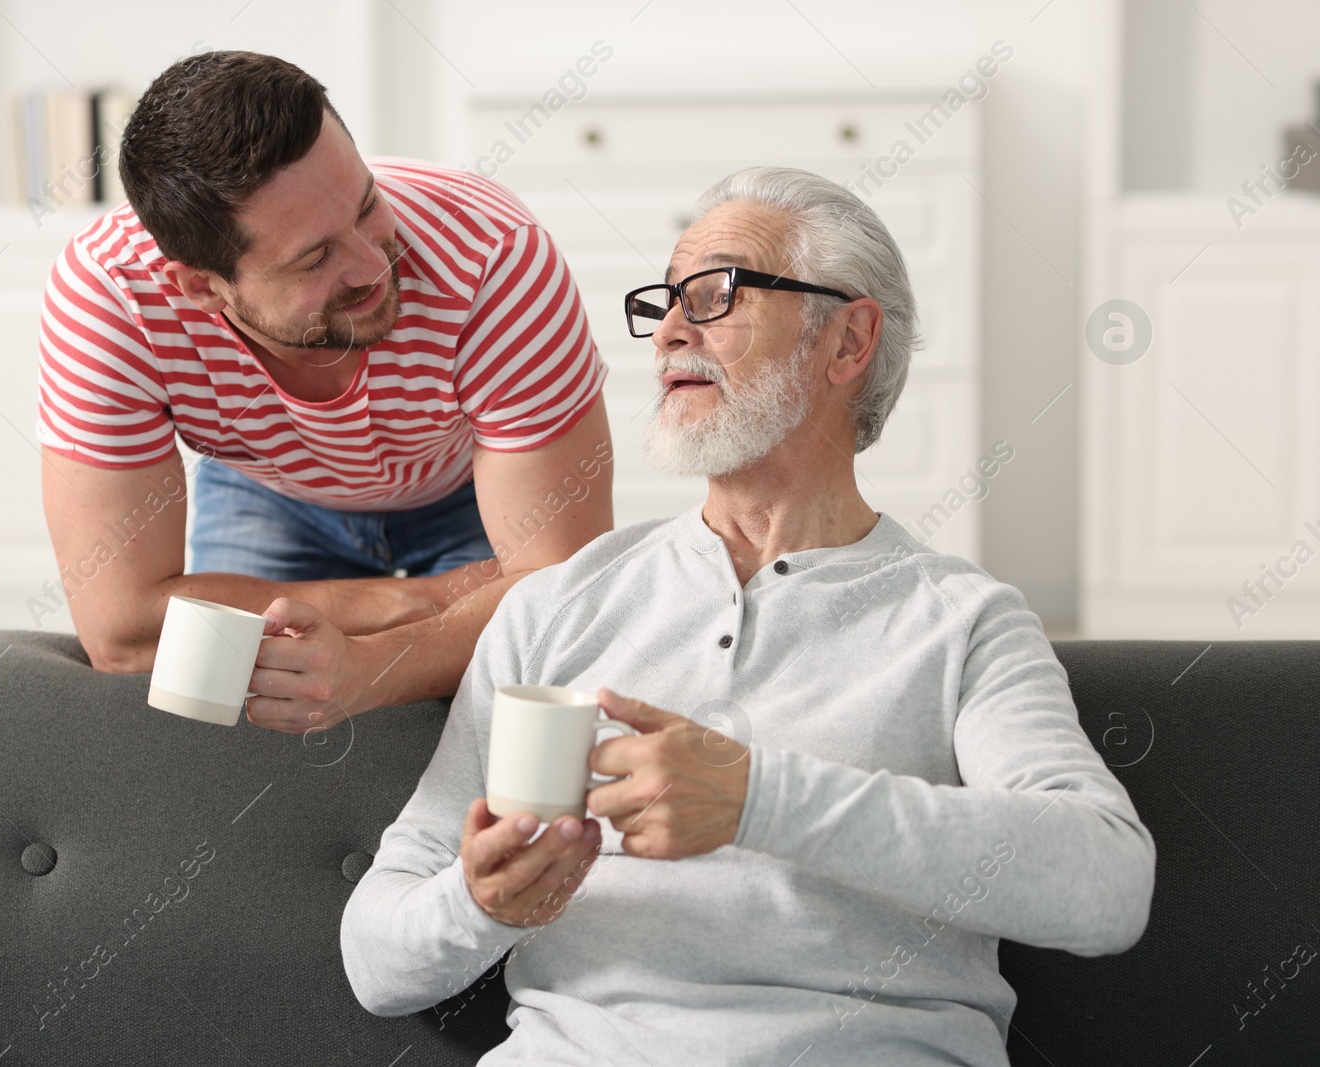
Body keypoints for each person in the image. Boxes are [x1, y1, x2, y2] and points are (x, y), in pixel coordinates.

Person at [339, 166, 1155, 1065]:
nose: (670, 335)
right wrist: (479, 904)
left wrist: (757, 799)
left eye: (716, 294)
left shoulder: (962, 620)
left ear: (847, 341)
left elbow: (1106, 883)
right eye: (667, 301)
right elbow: (376, 962)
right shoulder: (557, 604)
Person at [34, 52, 614, 732]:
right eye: (314, 257)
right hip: (270, 494)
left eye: (368, 205)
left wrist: (375, 666)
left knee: (525, 703)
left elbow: (560, 596)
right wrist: (421, 603)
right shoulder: (109, 298)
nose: (374, 264)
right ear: (201, 287)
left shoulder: (494, 258)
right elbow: (124, 635)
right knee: (219, 718)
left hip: (471, 492)